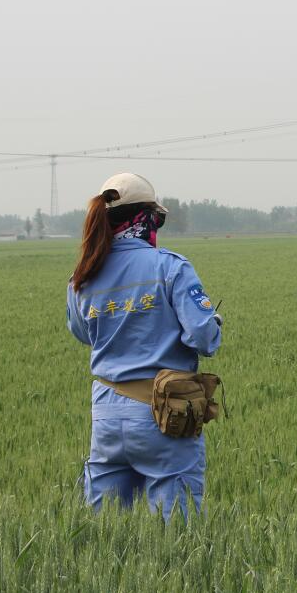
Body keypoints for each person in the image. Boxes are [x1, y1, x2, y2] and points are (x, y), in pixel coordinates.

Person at [66, 172, 222, 519]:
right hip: (164, 413)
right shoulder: (169, 266)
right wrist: (211, 326)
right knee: (174, 529)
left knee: (103, 528)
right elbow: (204, 338)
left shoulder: (82, 276)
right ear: (147, 219)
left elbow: (82, 333)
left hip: (106, 416)